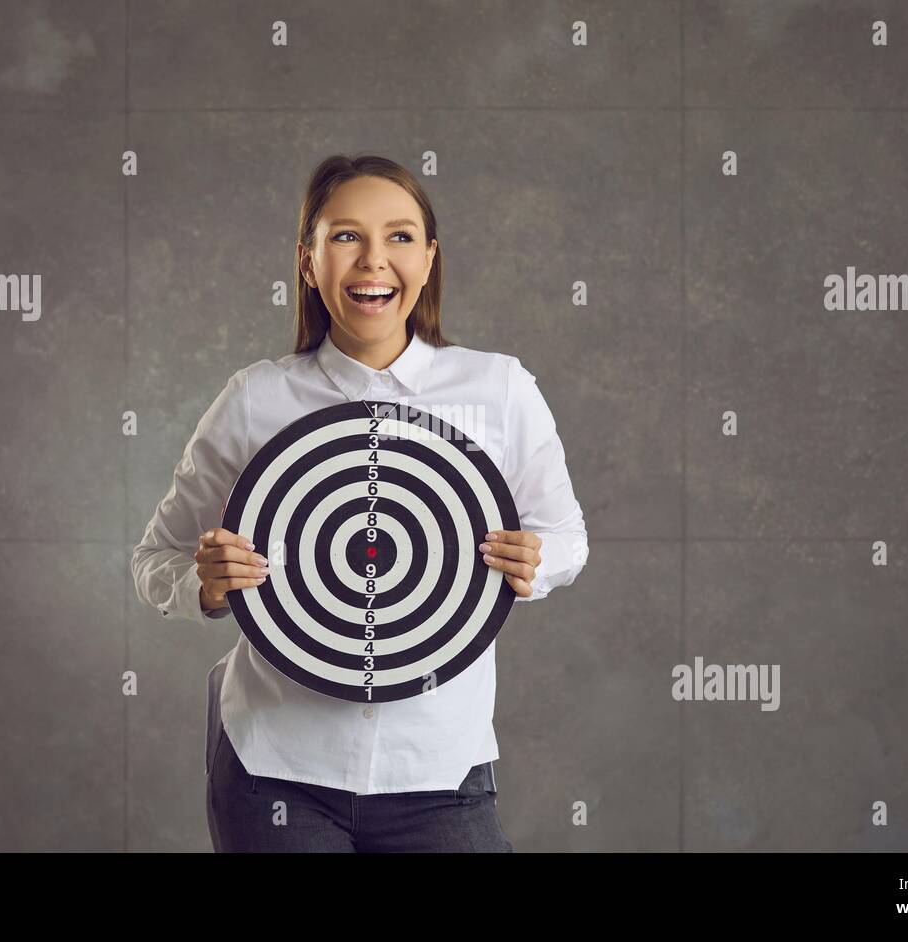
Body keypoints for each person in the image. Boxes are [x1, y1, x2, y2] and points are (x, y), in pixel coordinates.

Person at [132, 153, 589, 852]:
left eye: (400, 237)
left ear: (430, 259)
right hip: (275, 770)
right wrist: (206, 583)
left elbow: (566, 537)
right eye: (345, 236)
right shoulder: (256, 398)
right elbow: (155, 558)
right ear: (309, 262)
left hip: (440, 767)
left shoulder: (499, 390)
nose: (374, 261)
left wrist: (539, 561)